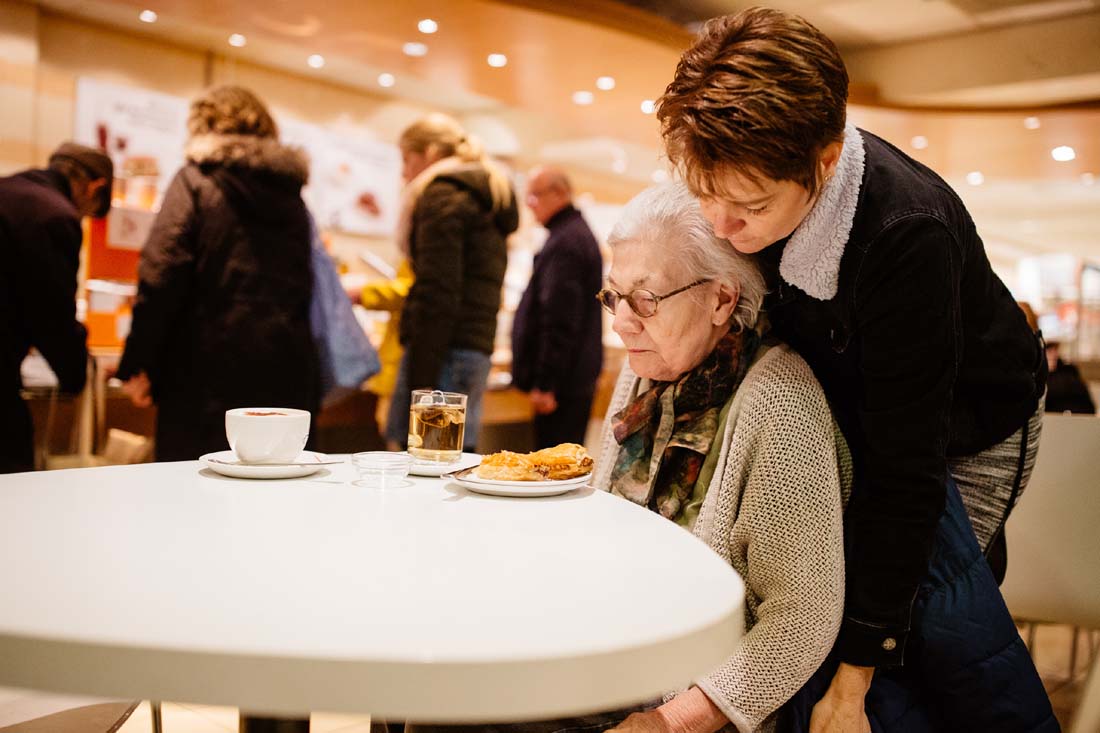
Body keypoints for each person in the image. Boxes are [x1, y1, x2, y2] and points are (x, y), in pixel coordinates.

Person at [656, 8, 1049, 730]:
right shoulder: (735, 176)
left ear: (827, 160)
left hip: (969, 427)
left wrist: (853, 680)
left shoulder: (907, 235)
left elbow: (907, 472)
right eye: (705, 196)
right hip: (855, 406)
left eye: (749, 206)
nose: (721, 227)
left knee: (936, 614)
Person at [116, 85, 319, 461]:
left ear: (202, 126)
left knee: (193, 493)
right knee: (280, 493)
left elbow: (162, 273)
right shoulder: (292, 197)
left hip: (204, 372)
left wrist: (137, 363)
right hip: (287, 366)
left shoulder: (195, 181)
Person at [385, 113, 519, 453]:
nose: (403, 172)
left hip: (442, 347)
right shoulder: (487, 194)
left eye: (406, 159)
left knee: (423, 459)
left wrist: (421, 380)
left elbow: (438, 290)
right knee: (455, 459)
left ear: (429, 153)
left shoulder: (442, 195)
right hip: (474, 347)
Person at [0, 142, 112, 473]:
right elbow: (51, 313)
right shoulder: (53, 215)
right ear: (96, 187)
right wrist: (76, 372)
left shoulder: (9, 191)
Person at [511, 165, 603, 448]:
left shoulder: (567, 242)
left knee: (553, 470)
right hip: (570, 380)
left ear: (560, 193)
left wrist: (546, 383)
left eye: (536, 195)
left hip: (563, 386)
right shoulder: (569, 234)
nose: (530, 204)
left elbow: (560, 319)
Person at [1044, 340, 1096, 414]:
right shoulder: (1041, 377)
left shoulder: (1068, 374)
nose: (1053, 355)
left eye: (1054, 352)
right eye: (1049, 352)